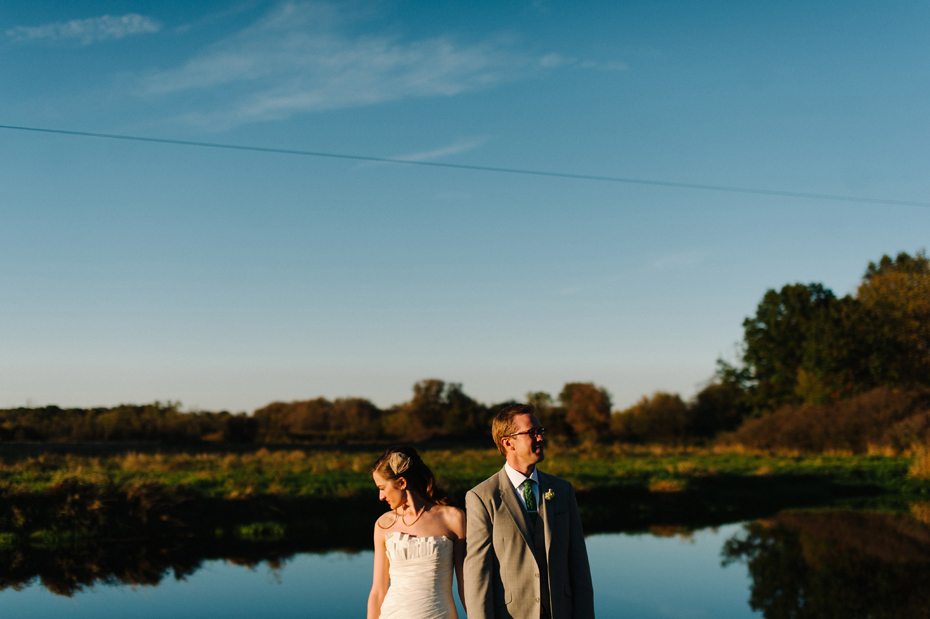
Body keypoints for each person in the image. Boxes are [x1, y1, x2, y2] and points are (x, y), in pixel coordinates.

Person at [464, 404, 595, 619]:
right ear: (508, 442)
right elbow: (478, 574)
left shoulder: (562, 490)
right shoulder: (482, 497)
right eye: (531, 433)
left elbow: (579, 564)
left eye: (540, 432)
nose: (540, 438)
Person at [367, 446, 467, 619]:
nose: (380, 496)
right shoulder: (383, 524)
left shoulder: (453, 518)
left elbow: (465, 583)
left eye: (383, 488)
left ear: (402, 483)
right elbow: (378, 591)